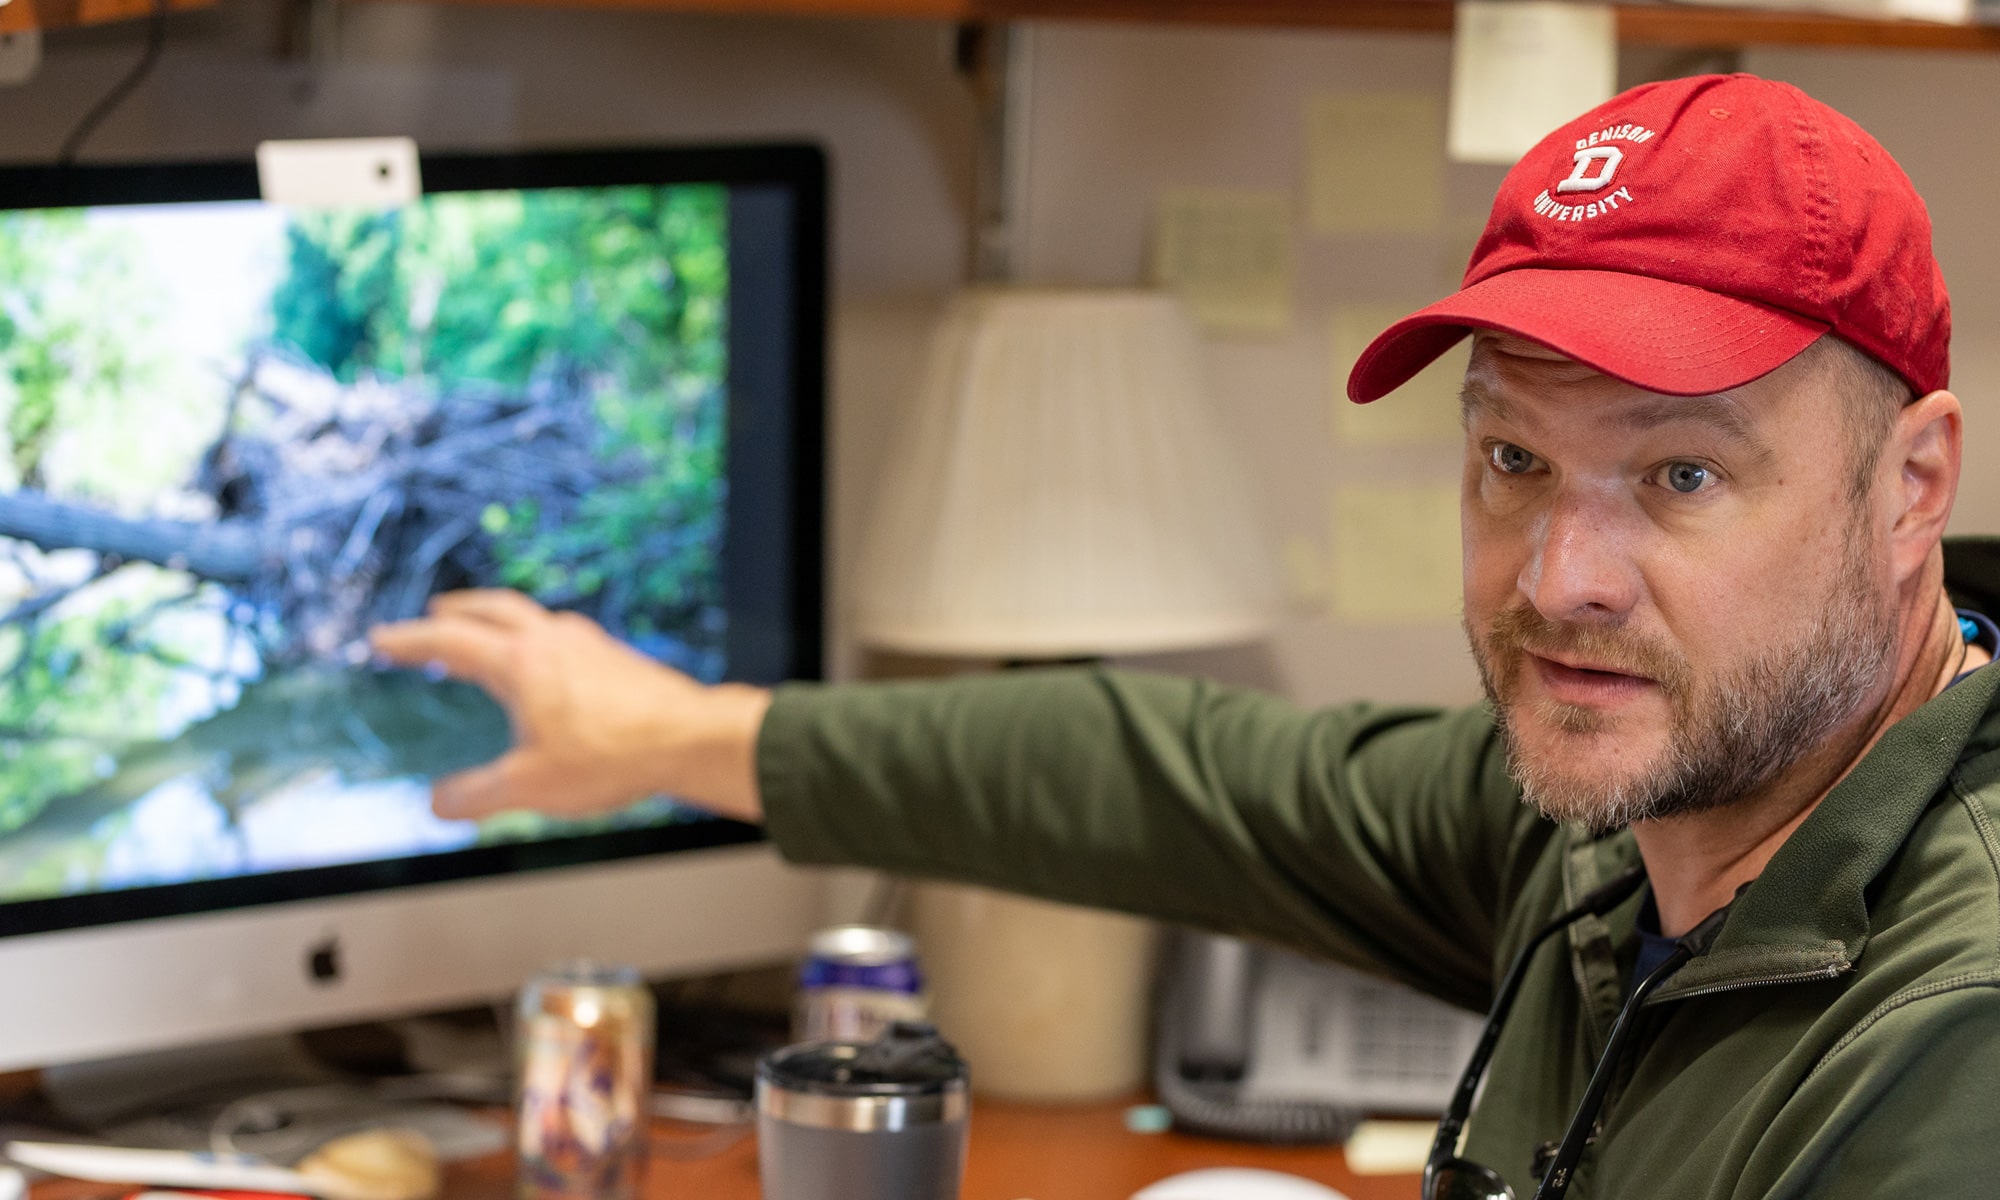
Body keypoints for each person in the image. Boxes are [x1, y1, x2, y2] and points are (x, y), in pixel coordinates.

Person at [372, 73, 2000, 1198]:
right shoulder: (1641, 822)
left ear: (1910, 483)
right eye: (1512, 458)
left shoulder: (1951, 1038)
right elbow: (1180, 775)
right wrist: (660, 736)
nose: (1562, 573)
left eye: (1683, 472)